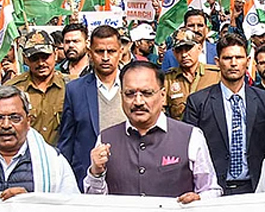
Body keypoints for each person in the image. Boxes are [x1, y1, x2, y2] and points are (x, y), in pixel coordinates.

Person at [84, 61, 220, 202]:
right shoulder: (106, 139)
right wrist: (96, 173)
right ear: (121, 96)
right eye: (130, 94)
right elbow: (94, 203)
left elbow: (211, 189)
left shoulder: (190, 136)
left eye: (147, 93)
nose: (138, 102)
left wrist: (198, 199)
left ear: (162, 95)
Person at [182, 32, 265, 195]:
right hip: (213, 189)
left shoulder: (264, 100)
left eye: (239, 57)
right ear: (217, 62)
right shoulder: (198, 102)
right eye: (228, 58)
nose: (234, 63)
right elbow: (188, 150)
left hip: (256, 188)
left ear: (248, 61)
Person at [58, 25, 125, 192]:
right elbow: (67, 141)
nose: (105, 57)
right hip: (87, 178)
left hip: (127, 176)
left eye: (111, 51)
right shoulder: (75, 90)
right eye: (99, 52)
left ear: (120, 52)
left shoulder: (133, 85)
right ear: (90, 53)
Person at [6, 30, 68, 146]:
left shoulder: (71, 86)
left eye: (45, 57)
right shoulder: (13, 89)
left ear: (55, 54)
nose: (41, 63)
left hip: (61, 154)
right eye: (34, 58)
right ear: (25, 59)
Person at [163, 28, 221, 120]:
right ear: (174, 53)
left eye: (188, 49)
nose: (184, 55)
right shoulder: (168, 79)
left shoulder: (216, 75)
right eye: (179, 50)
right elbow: (160, 111)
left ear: (199, 48)